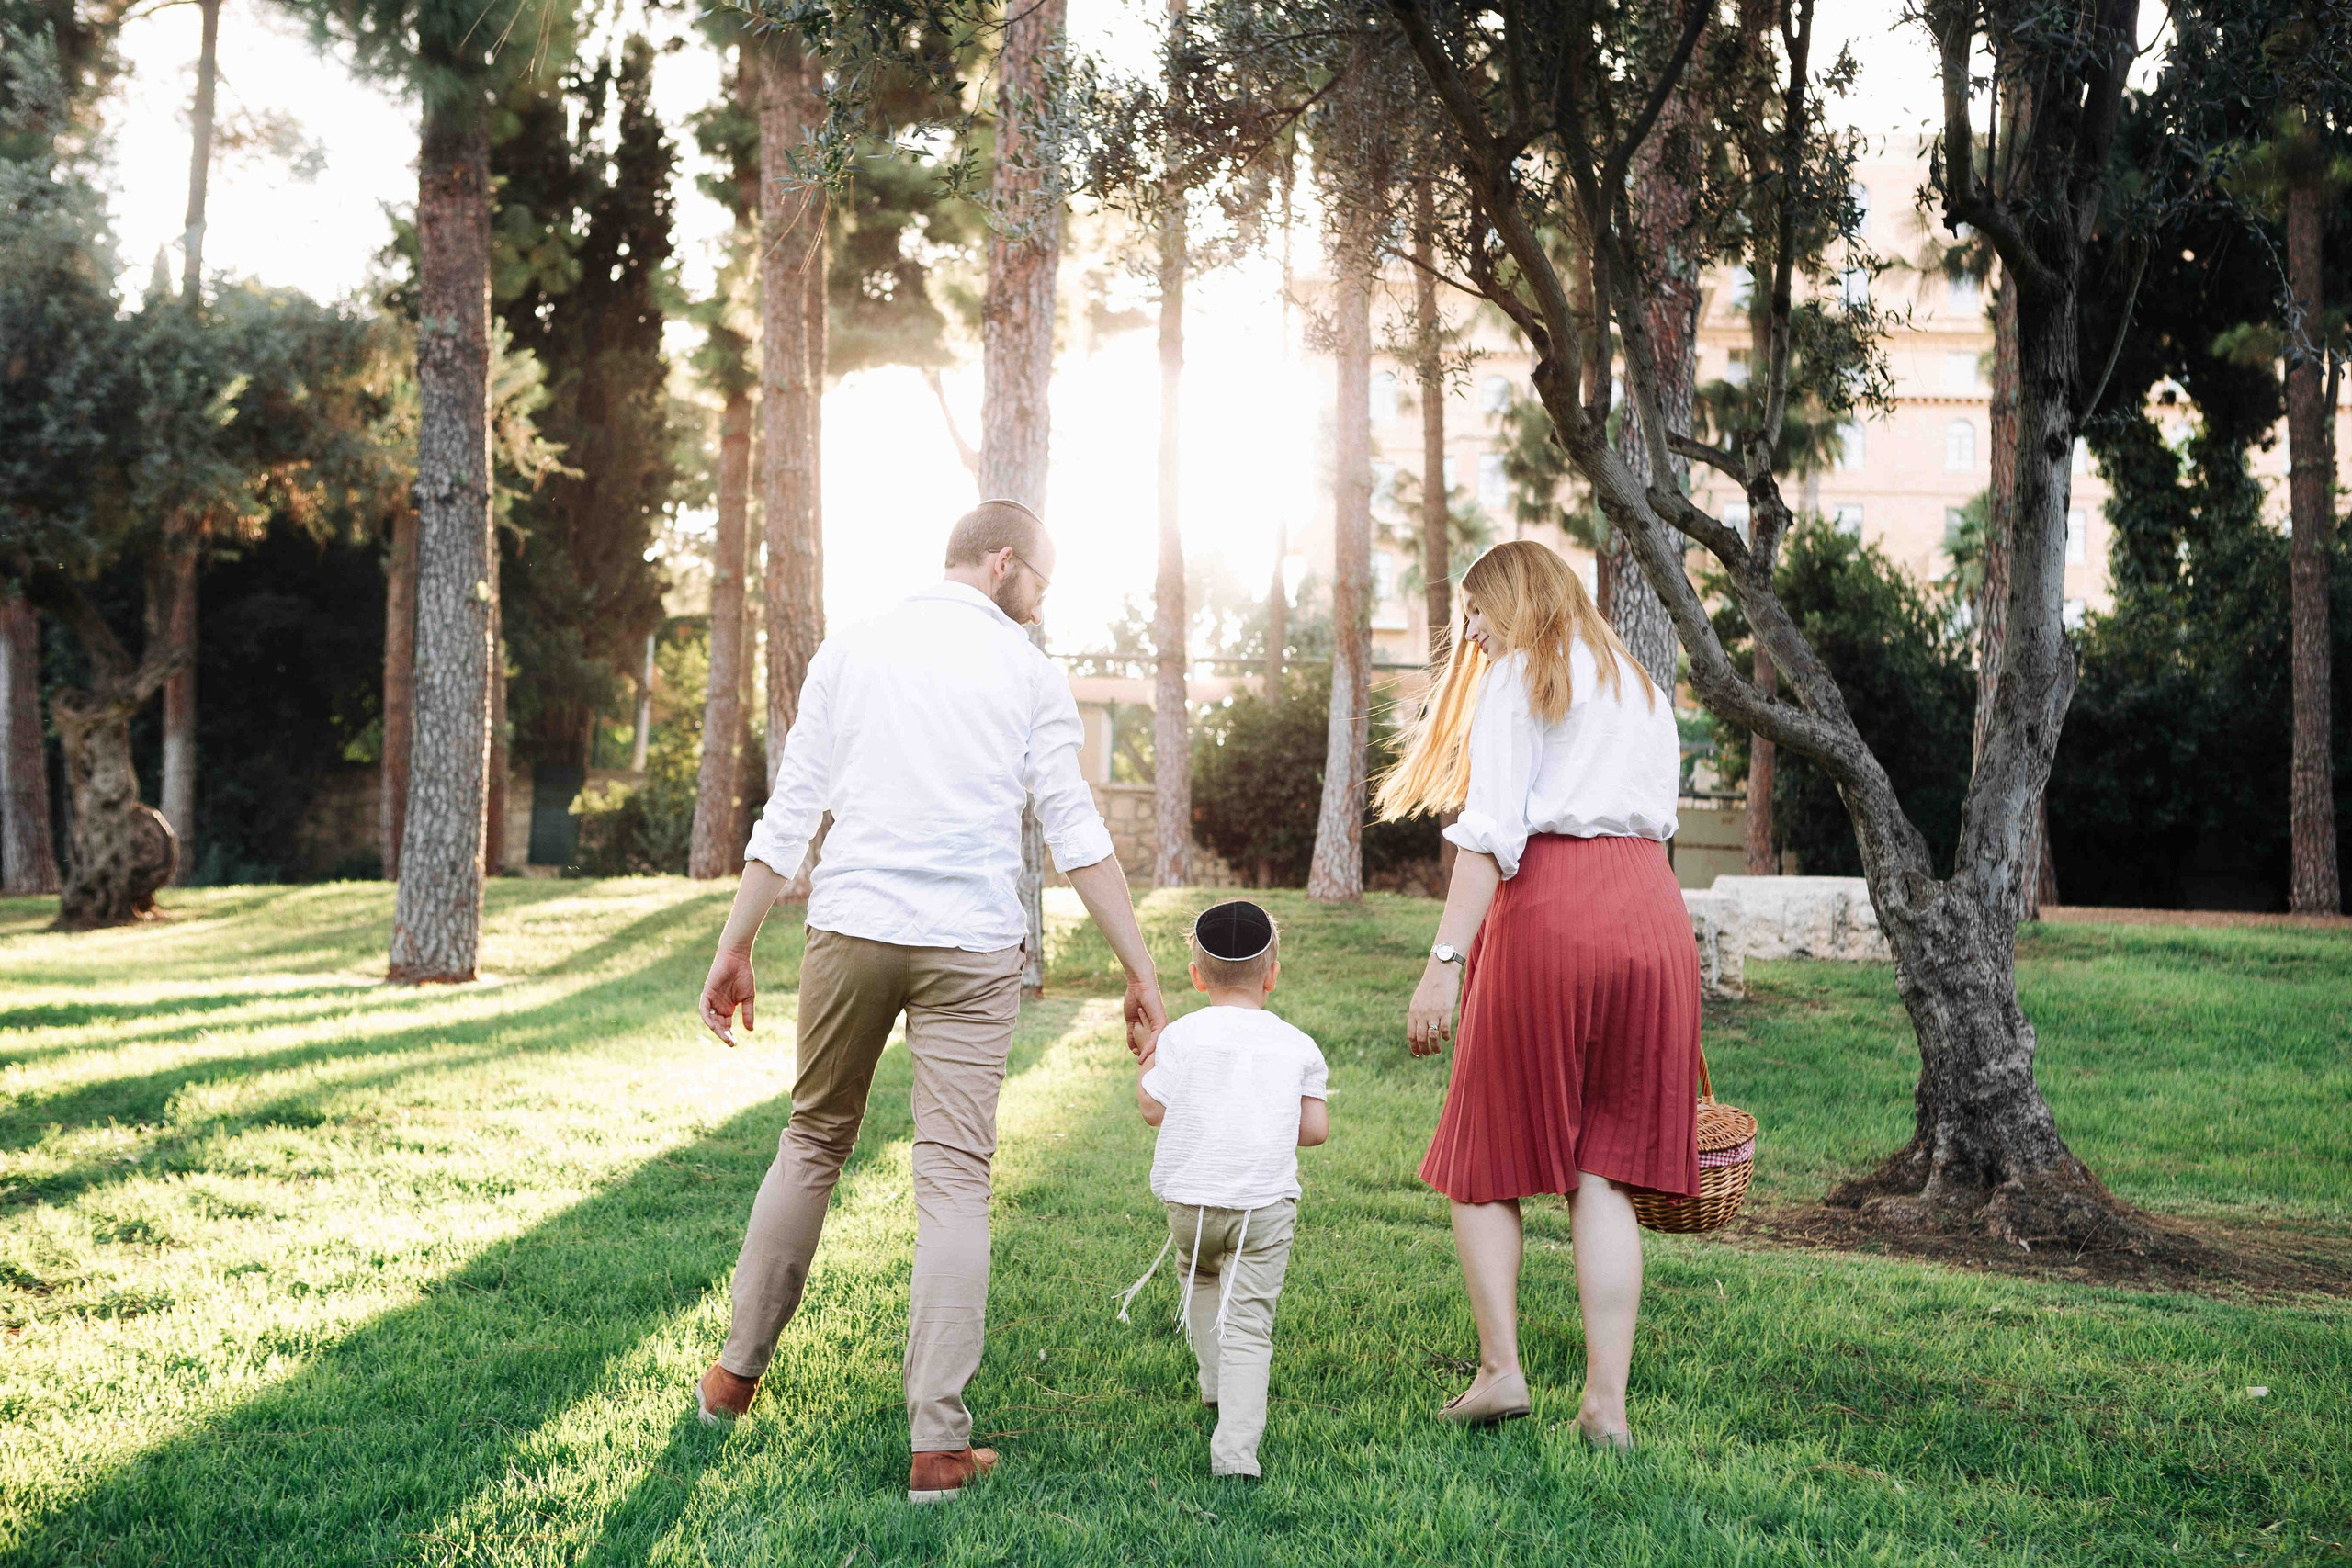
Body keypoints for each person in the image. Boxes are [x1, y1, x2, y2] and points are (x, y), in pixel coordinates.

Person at [694, 499, 1170, 1505]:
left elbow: (793, 811)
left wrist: (737, 942)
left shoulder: (851, 650)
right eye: (1041, 580)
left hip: (852, 927)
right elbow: (1073, 828)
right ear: (1003, 564)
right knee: (954, 1180)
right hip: (971, 943)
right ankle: (938, 1448)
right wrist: (1140, 970)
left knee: (812, 1141)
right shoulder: (1026, 672)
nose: (1041, 603)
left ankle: (732, 1380)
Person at [1374, 539, 1700, 1450]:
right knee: (1604, 1171)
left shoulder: (1519, 676)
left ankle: (1501, 1372)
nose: (1469, 632)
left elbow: (1489, 835)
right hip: (1650, 915)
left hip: (1550, 911)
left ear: (1510, 600)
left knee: (1483, 1155)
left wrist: (1442, 962)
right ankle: (1606, 1404)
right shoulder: (1639, 686)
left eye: (1474, 611)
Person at [1116, 900, 1329, 1480]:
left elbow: (1152, 1110)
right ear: (1272, 974)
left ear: (1195, 975)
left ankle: (1213, 1383)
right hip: (1265, 1208)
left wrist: (1147, 1056)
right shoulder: (1298, 1044)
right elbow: (1314, 1131)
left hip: (1191, 1206)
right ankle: (1235, 1456)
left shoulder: (1182, 1036)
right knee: (1249, 1324)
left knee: (1200, 1275)